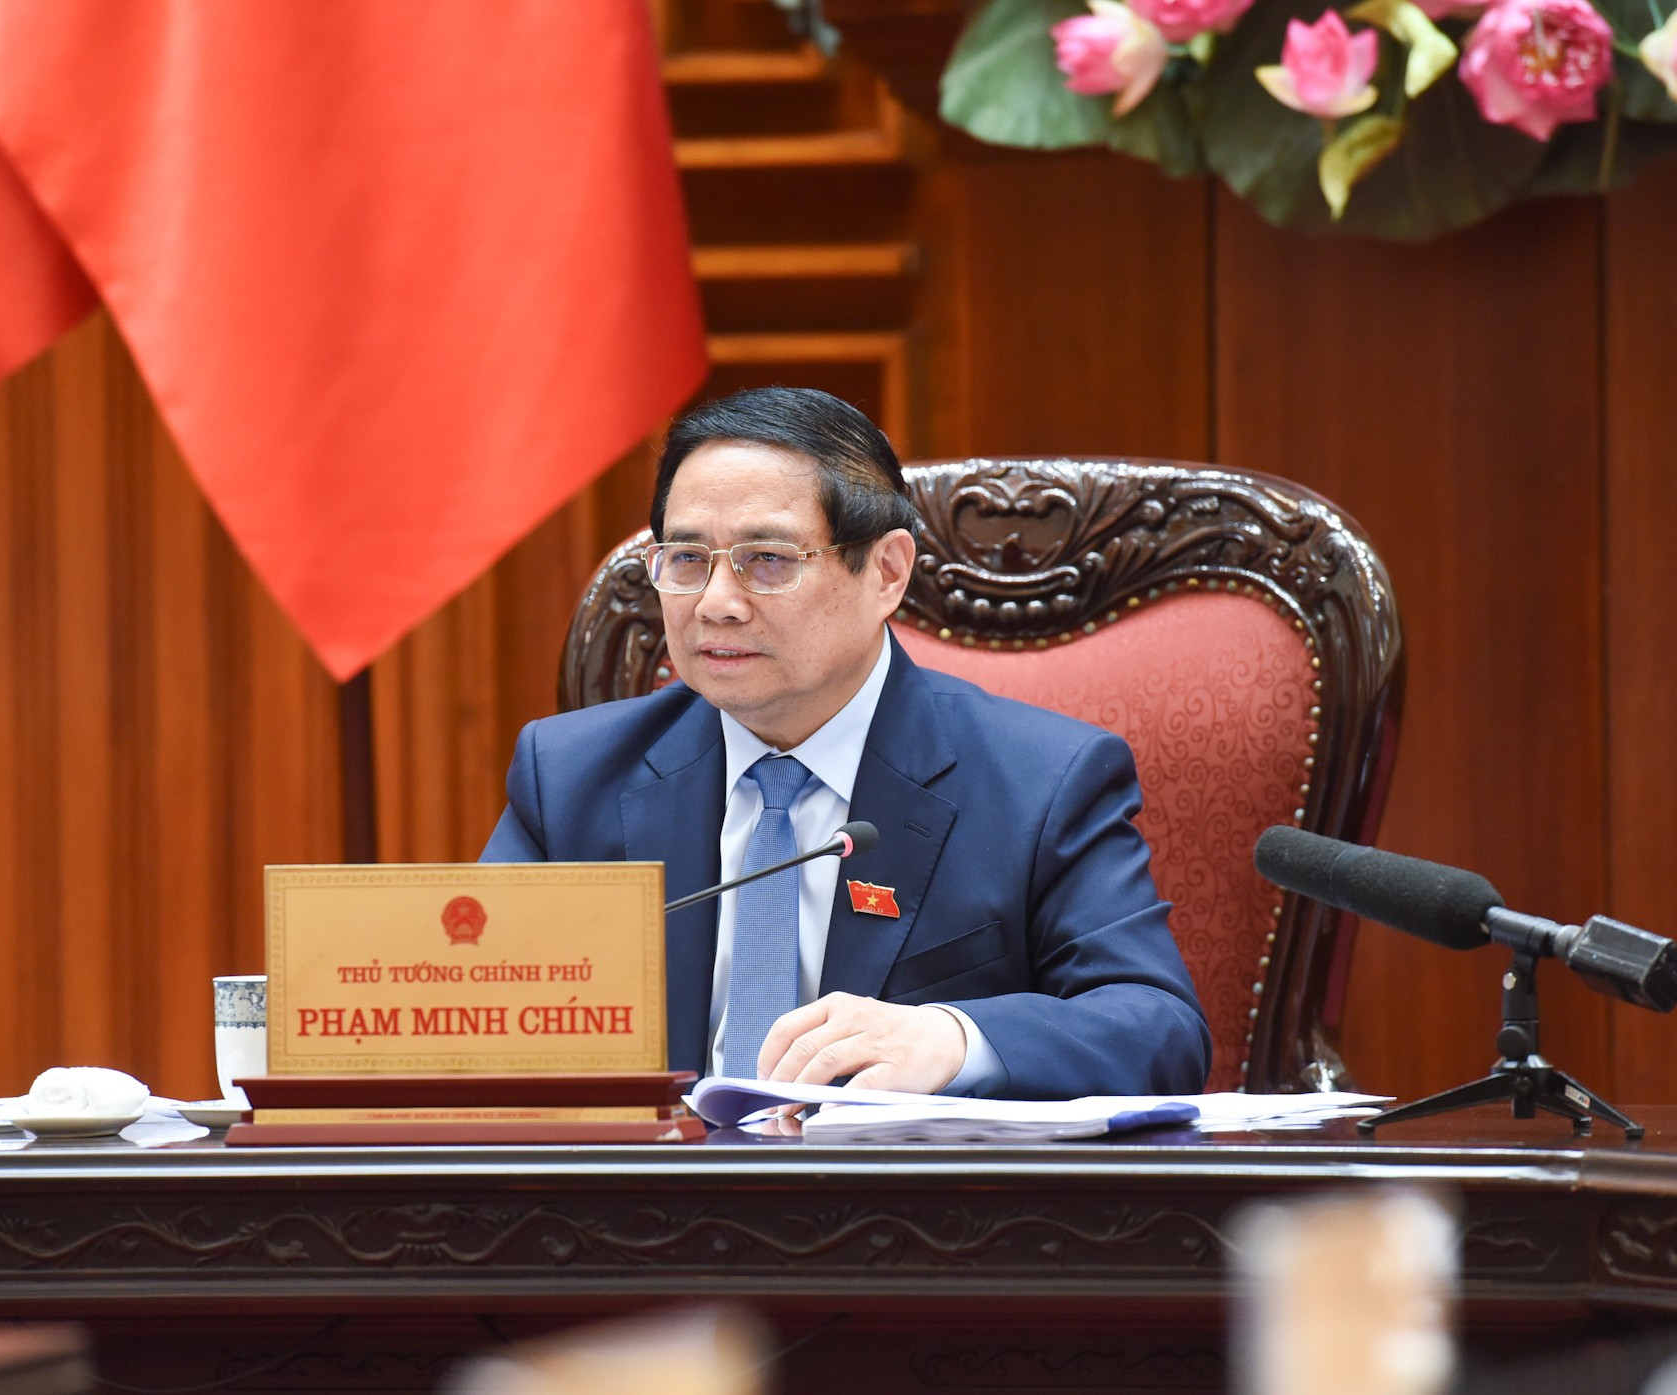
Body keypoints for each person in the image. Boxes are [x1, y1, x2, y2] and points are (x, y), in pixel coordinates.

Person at [482, 387, 1210, 1099]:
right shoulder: (570, 776)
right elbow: (473, 1021)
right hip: (639, 1213)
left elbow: (1156, 1028)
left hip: (910, 1213)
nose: (716, 603)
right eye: (686, 559)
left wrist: (953, 1039)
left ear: (887, 571)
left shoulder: (1041, 782)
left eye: (767, 559)